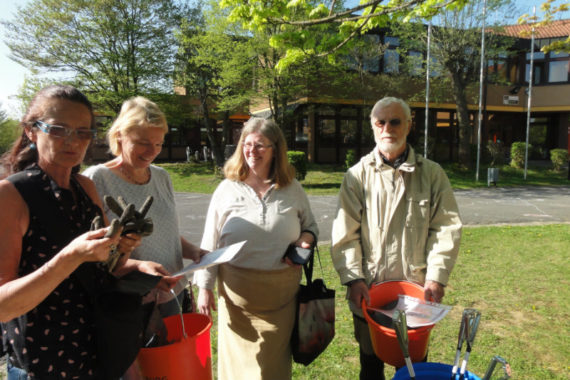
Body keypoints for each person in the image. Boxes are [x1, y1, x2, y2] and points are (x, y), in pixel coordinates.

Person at [0, 85, 177, 380]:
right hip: (43, 364)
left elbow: (101, 270)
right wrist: (70, 256)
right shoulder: (11, 195)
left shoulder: (86, 188)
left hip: (96, 353)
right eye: (59, 129)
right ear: (32, 131)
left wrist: (132, 261)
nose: (73, 141)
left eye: (83, 132)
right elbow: (4, 306)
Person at [331, 97, 462, 380]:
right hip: (370, 290)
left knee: (413, 369)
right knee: (370, 365)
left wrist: (436, 277)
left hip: (416, 291)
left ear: (409, 125)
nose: (387, 127)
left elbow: (446, 228)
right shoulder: (356, 176)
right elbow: (345, 233)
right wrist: (354, 279)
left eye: (395, 121)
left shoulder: (433, 175)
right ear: (373, 127)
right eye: (381, 122)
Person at [82, 97, 208, 377]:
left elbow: (167, 231)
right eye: (143, 142)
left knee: (175, 371)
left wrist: (193, 251)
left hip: (172, 296)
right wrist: (142, 272)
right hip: (128, 306)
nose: (152, 151)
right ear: (119, 135)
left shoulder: (162, 177)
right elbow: (95, 256)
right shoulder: (96, 179)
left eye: (158, 143)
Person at [194, 117, 318, 380]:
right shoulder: (227, 189)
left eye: (260, 145)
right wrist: (204, 287)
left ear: (276, 150)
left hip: (281, 302)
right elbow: (210, 241)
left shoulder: (292, 188)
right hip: (236, 304)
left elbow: (311, 226)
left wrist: (305, 240)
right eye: (247, 144)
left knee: (271, 372)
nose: (252, 151)